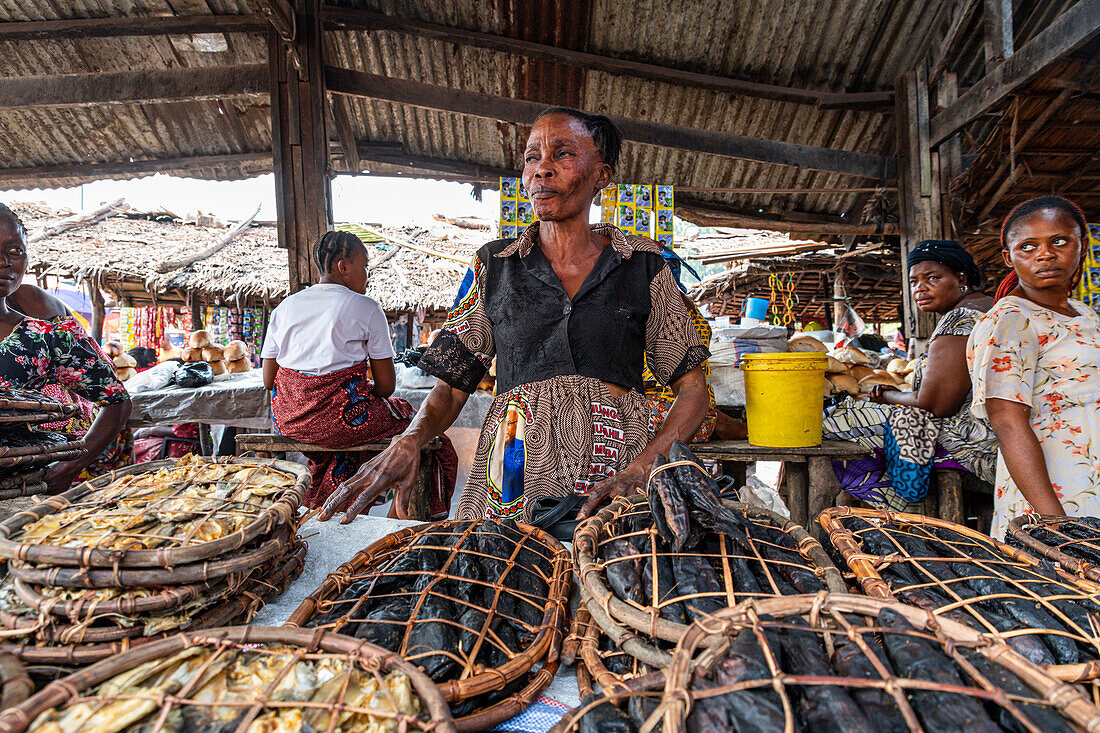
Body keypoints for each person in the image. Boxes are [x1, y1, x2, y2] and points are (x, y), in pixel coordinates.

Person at [319, 107, 710, 524]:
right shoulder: (496, 265)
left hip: (616, 469)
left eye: (562, 154)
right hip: (513, 469)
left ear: (601, 174)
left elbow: (693, 392)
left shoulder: (642, 265)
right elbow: (452, 389)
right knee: (507, 577)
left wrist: (640, 470)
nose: (542, 170)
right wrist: (410, 438)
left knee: (609, 576)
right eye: (531, 157)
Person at [261, 230, 457, 516]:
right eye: (364, 266)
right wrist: (348, 393)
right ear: (343, 267)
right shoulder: (366, 308)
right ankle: (396, 523)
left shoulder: (284, 308)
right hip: (344, 424)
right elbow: (386, 387)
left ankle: (333, 505)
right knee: (428, 436)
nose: (367, 274)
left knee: (352, 436)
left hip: (290, 421)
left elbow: (269, 380)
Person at [823, 239, 997, 509]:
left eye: (933, 278)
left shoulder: (960, 319)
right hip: (994, 430)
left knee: (834, 424)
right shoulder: (990, 307)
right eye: (914, 281)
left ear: (961, 278)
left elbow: (936, 404)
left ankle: (895, 511)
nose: (920, 288)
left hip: (972, 438)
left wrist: (890, 395)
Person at [968, 195, 1100, 539]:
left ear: (1082, 246)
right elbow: (1008, 422)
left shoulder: (1083, 312)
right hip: (1055, 491)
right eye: (1028, 246)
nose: (1045, 254)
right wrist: (1056, 525)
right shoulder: (1011, 321)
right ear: (1008, 257)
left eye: (1059, 241)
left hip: (1091, 477)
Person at [0, 204, 132, 492]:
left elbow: (118, 402)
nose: (4, 262)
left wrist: (71, 465)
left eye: (14, 251)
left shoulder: (44, 336)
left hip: (19, 490)